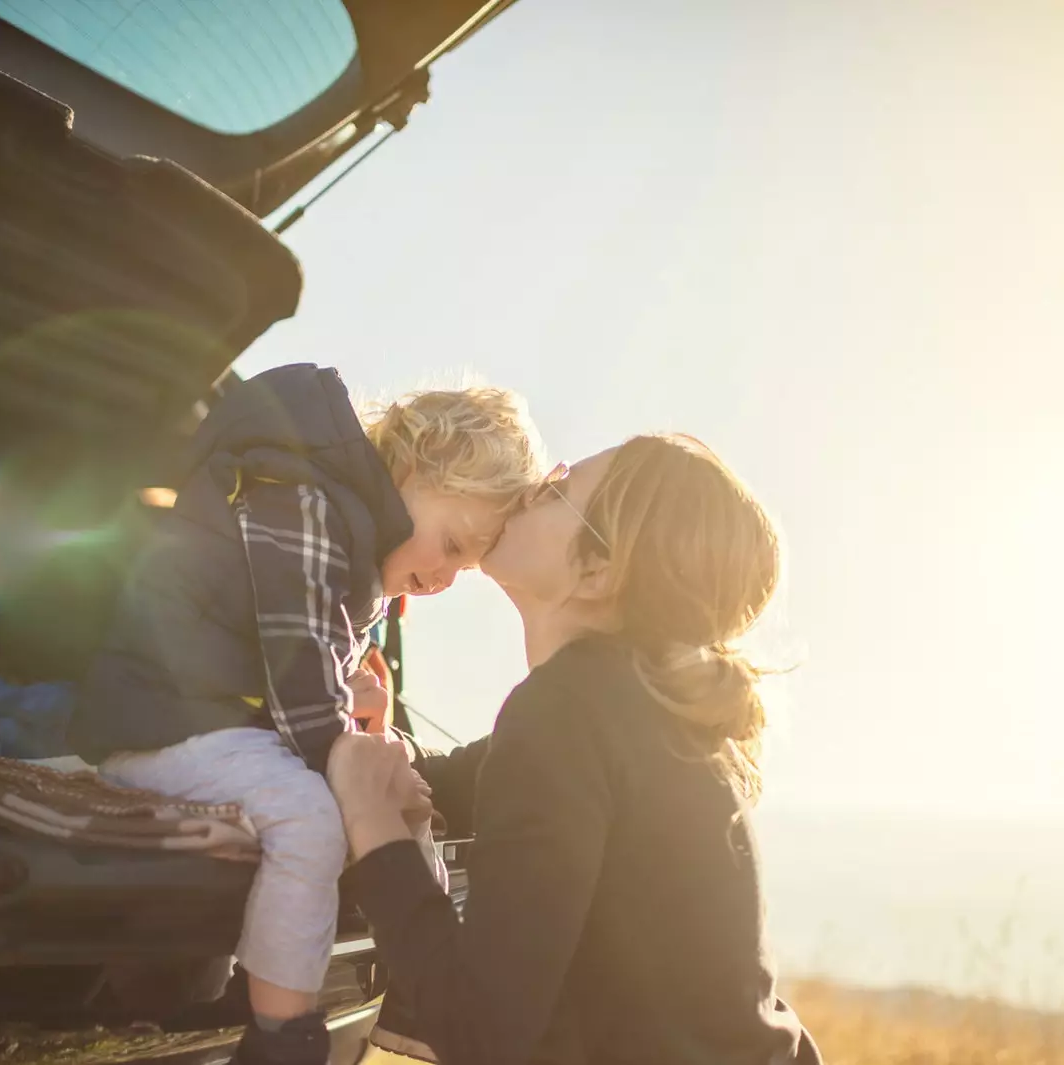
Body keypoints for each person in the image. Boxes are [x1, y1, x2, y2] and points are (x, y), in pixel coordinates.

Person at [67, 363, 544, 1065]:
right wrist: (353, 763)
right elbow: (298, 660)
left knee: (402, 802)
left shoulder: (354, 539)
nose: (443, 579)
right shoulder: (300, 495)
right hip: (164, 723)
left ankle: (414, 997)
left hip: (225, 727)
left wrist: (375, 744)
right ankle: (281, 1037)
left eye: (462, 568)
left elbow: (315, 678)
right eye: (450, 544)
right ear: (411, 465)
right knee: (311, 815)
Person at [329, 434, 823, 1065]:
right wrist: (369, 733)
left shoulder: (568, 713)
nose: (533, 486)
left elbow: (481, 1030)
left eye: (559, 488)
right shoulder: (631, 709)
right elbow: (454, 781)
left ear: (598, 571)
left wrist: (376, 832)